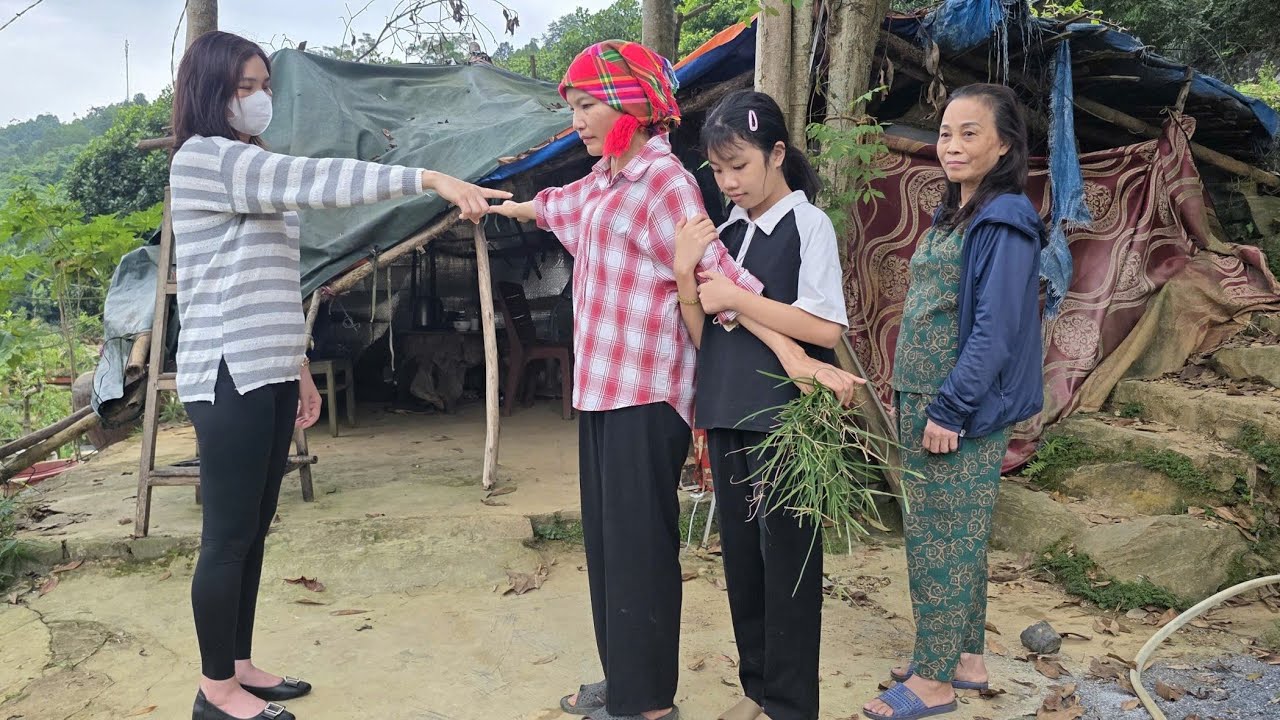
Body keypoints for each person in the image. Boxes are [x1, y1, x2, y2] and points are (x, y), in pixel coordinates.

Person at [489, 41, 860, 720]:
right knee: (609, 548)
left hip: (650, 388)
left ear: (630, 104)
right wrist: (492, 206)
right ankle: (628, 679)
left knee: (643, 550)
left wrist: (802, 359)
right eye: (571, 105)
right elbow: (551, 207)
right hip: (604, 387)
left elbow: (724, 287)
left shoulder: (666, 183)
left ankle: (649, 700)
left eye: (588, 103)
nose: (577, 118)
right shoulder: (606, 179)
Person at [170, 31, 508, 720]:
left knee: (255, 528)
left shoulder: (250, 162)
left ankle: (237, 664)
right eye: (244, 88)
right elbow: (320, 180)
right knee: (228, 535)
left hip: (265, 365)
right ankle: (214, 691)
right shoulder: (206, 161)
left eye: (264, 85)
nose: (259, 99)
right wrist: (427, 178)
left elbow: (273, 280)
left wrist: (297, 366)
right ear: (209, 93)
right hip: (228, 370)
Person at [861, 84, 1046, 720]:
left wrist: (950, 409)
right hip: (930, 400)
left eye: (970, 133)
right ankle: (964, 658)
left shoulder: (1005, 219)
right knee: (952, 532)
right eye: (945, 132)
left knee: (941, 539)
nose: (952, 145)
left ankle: (934, 680)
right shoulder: (960, 212)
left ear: (1004, 145)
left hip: (956, 409)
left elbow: (996, 329)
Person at [673, 89, 852, 720]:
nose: (728, 182)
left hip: (787, 423)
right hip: (726, 412)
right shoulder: (724, 233)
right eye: (718, 171)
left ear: (777, 154)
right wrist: (687, 278)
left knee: (791, 570)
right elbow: (707, 338)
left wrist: (734, 296)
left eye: (739, 165)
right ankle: (757, 692)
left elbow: (825, 330)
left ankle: (791, 706)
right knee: (744, 566)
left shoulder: (809, 226)